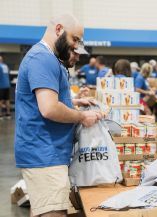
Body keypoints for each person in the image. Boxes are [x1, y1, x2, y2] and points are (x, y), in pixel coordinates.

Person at [15, 14, 103, 217]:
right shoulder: (42, 58)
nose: (75, 46)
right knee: (54, 212)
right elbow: (49, 108)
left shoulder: (49, 59)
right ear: (59, 29)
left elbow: (48, 101)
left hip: (49, 152)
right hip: (44, 153)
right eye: (75, 39)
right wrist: (81, 117)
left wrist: (75, 103)